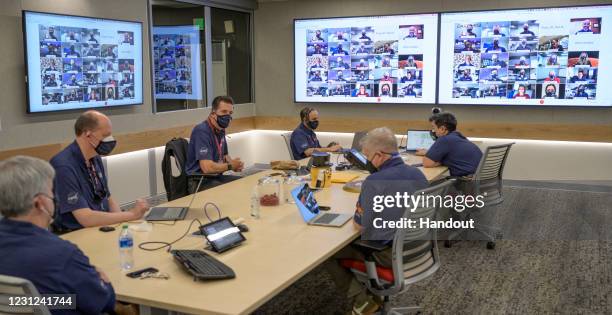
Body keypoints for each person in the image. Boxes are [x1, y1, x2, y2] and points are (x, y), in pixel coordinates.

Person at [0, 156, 125, 315]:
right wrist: (104, 281)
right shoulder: (62, 255)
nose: (55, 199)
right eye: (51, 193)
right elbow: (103, 302)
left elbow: (19, 301)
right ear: (40, 203)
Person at [324, 127, 428, 313]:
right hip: (420, 248)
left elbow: (360, 226)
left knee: (328, 252)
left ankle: (362, 302)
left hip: (390, 255)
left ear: (379, 155)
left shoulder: (374, 181)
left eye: (367, 156)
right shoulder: (418, 174)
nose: (366, 161)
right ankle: (376, 300)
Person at [50, 111, 149, 233]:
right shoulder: (63, 166)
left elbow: (107, 197)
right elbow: (85, 218)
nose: (109, 140)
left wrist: (125, 228)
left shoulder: (95, 158)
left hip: (101, 228)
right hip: (76, 233)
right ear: (88, 134)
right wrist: (131, 215)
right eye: (105, 135)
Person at [185, 96, 244, 192]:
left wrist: (234, 164)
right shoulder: (202, 131)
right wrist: (230, 166)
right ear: (213, 113)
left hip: (215, 177)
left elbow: (224, 156)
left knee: (243, 184)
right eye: (224, 112)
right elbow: (207, 168)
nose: (227, 116)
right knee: (230, 191)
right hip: (199, 181)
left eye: (230, 113)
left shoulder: (220, 129)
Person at [417, 112, 482, 177]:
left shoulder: (444, 139)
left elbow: (426, 163)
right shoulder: (458, 136)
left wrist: (441, 161)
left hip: (467, 182)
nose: (433, 131)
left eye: (434, 127)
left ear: (442, 129)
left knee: (429, 183)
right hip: (482, 180)